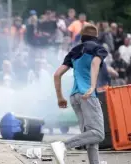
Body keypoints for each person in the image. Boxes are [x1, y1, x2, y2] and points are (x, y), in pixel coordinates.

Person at [52, 24, 106, 164]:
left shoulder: (74, 51)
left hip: (74, 96)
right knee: (99, 133)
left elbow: (57, 74)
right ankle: (63, 146)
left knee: (90, 136)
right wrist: (93, 86)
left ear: (82, 37)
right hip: (87, 95)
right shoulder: (98, 48)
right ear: (96, 37)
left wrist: (60, 97)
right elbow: (95, 64)